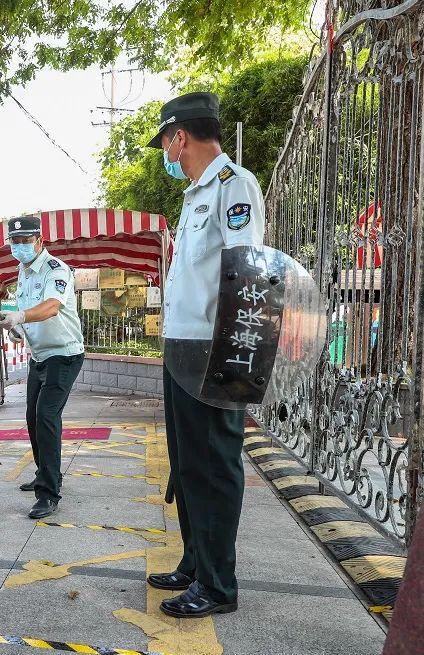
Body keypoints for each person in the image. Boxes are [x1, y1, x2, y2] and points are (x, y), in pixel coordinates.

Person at [145, 92, 265, 618]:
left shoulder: (231, 185)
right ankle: (195, 562)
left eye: (165, 144)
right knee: (188, 463)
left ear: (179, 136)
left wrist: (235, 358)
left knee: (215, 464)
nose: (166, 154)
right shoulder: (195, 195)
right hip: (182, 345)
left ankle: (218, 585)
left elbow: (246, 270)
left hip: (215, 347)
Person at [0, 216, 84, 520]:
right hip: (39, 356)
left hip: (64, 354)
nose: (20, 247)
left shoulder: (55, 270)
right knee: (33, 418)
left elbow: (51, 307)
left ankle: (48, 493)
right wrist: (15, 328)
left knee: (47, 416)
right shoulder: (23, 272)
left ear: (40, 241)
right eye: (15, 242)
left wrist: (20, 316)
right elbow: (28, 317)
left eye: (25, 241)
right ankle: (46, 472)